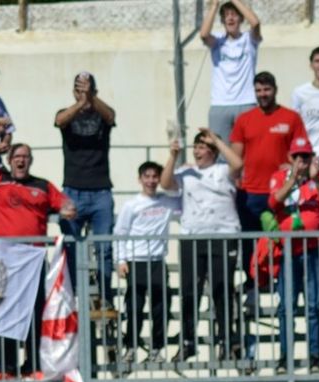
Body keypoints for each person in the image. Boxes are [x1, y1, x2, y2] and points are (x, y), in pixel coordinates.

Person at [0, 117, 77, 379]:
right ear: (9, 160)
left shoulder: (41, 185)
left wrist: (67, 208)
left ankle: (33, 366)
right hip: (4, 259)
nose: (21, 160)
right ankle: (4, 367)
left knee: (34, 312)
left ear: (30, 161)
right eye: (17, 156)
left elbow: (65, 204)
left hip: (32, 259)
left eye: (26, 157)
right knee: (3, 312)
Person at [164, 128, 249, 364]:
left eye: (203, 147)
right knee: (191, 291)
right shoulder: (186, 171)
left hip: (223, 236)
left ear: (212, 152)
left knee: (222, 290)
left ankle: (226, 341)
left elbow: (238, 163)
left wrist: (217, 140)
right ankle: (188, 341)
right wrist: (173, 155)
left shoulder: (223, 170)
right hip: (193, 237)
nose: (198, 151)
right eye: (196, 147)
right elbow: (166, 183)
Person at [267, 137, 319, 372]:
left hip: (313, 249)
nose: (301, 161)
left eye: (305, 157)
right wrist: (293, 180)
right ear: (290, 158)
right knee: (287, 307)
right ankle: (286, 357)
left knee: (314, 306)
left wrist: (314, 178)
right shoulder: (280, 177)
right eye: (297, 157)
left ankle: (315, 356)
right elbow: (273, 202)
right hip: (287, 251)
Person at [113, 155, 181, 362]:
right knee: (134, 307)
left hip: (157, 261)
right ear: (140, 179)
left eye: (155, 176)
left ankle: (157, 349)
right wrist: (120, 260)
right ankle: (131, 348)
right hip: (136, 261)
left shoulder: (167, 201)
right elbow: (120, 232)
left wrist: (175, 158)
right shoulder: (131, 205)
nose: (151, 180)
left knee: (161, 306)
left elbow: (181, 191)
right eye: (147, 176)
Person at [56, 72, 117, 287]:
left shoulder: (102, 113)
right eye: (78, 91)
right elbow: (59, 120)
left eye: (88, 91)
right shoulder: (66, 113)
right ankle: (72, 296)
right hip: (72, 191)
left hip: (101, 191)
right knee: (70, 245)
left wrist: (91, 98)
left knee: (104, 248)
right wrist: (80, 101)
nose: (83, 96)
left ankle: (104, 298)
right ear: (73, 92)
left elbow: (110, 116)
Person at [230, 72, 307, 231]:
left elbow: (302, 152)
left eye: (266, 90)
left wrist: (293, 167)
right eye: (258, 90)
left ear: (275, 90)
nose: (262, 94)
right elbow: (235, 157)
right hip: (250, 192)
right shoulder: (243, 119)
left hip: (281, 190)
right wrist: (235, 180)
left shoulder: (292, 118)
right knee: (251, 246)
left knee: (282, 244)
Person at [200, 0, 263, 141]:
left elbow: (255, 23)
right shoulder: (217, 41)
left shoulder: (249, 39)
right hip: (220, 103)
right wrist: (214, 5)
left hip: (246, 102)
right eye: (227, 15)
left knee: (250, 146)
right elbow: (204, 34)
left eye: (234, 14)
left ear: (241, 18)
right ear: (222, 20)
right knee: (220, 150)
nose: (230, 18)